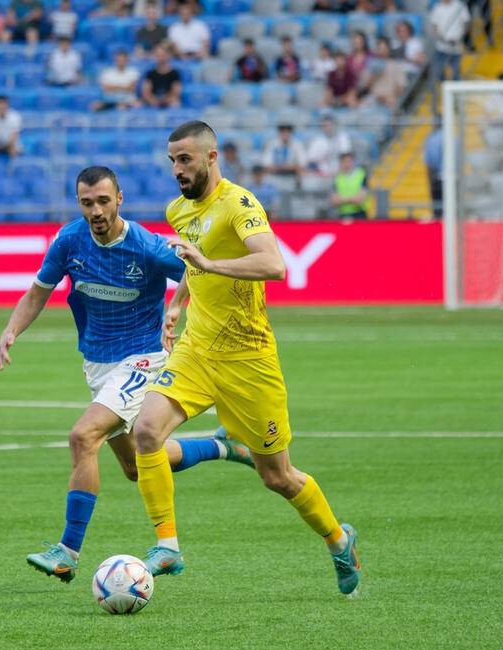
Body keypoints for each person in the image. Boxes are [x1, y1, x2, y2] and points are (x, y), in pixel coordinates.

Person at [131, 120, 360, 597]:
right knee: (145, 431)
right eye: (172, 160)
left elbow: (273, 264)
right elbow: (195, 267)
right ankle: (167, 545)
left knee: (277, 477)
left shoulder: (239, 204)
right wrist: (176, 306)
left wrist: (211, 264)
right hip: (197, 350)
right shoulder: (178, 210)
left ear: (212, 158)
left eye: (186, 159)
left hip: (248, 361)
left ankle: (339, 540)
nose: (177, 169)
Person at [0, 165, 255, 582]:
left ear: (119, 199)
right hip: (97, 365)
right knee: (136, 466)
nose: (95, 210)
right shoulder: (69, 241)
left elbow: (196, 271)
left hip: (143, 360)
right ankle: (226, 448)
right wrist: (11, 330)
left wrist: (177, 310)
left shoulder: (147, 248)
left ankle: (67, 552)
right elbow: (36, 293)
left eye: (102, 201)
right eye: (86, 203)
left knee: (83, 436)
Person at [429, 0, 470, 81]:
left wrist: (459, 37)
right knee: (439, 72)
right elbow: (434, 27)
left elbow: (465, 23)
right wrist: (442, 39)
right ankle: (444, 89)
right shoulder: (437, 7)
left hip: (456, 46)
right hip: (441, 46)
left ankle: (455, 91)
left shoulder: (459, 5)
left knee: (455, 73)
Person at [329, 152, 369, 220]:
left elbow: (359, 200)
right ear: (341, 162)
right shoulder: (337, 177)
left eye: (349, 161)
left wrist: (342, 200)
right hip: (343, 215)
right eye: (344, 161)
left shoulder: (361, 175)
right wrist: (352, 199)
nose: (347, 164)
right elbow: (333, 201)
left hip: (359, 215)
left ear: (353, 162)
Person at [424, 122, 444, 217]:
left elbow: (429, 162)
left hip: (437, 178)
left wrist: (430, 181)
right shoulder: (455, 138)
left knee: (438, 211)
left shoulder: (432, 139)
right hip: (453, 178)